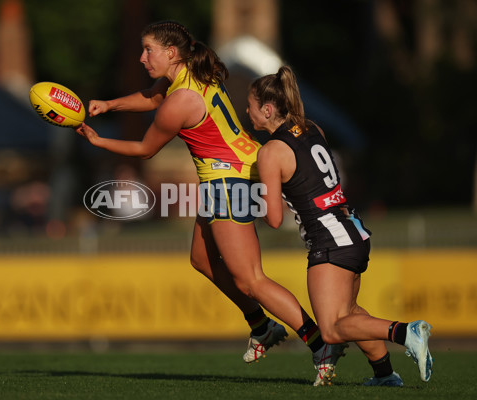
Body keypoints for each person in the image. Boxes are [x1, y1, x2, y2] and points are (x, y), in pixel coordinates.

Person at [76, 20, 346, 386]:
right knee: (201, 260)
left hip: (228, 182)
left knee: (250, 279)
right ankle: (262, 326)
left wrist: (98, 142)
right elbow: (152, 97)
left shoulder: (181, 102)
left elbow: (145, 149)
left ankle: (319, 345)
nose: (142, 57)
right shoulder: (191, 75)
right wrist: (109, 105)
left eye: (148, 50)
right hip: (226, 175)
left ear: (171, 53)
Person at [249, 65, 433, 386]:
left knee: (332, 328)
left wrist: (259, 193)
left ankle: (406, 332)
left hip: (330, 241)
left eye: (249, 106)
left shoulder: (271, 152)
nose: (246, 112)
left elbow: (274, 220)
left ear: (267, 109)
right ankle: (385, 375)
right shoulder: (311, 127)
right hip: (353, 231)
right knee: (349, 312)